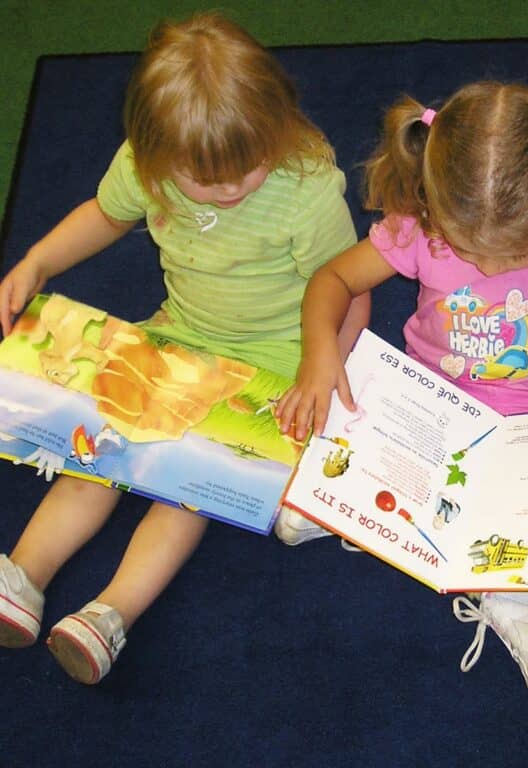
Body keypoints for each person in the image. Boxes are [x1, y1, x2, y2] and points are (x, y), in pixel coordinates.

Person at [0, 12, 370, 684]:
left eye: (249, 169)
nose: (232, 189)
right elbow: (105, 215)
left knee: (186, 488)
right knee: (100, 442)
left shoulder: (306, 187)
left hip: (271, 363)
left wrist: (323, 369)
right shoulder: (148, 164)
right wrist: (38, 261)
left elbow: (349, 286)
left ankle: (110, 614)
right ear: (157, 155)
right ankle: (23, 574)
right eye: (207, 180)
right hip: (179, 331)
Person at [274, 81, 528, 698]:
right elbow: (332, 280)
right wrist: (318, 355)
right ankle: (356, 505)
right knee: (361, 449)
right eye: (471, 250)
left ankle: (514, 594)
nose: (490, 268)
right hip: (427, 395)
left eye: (514, 253)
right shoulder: (421, 226)